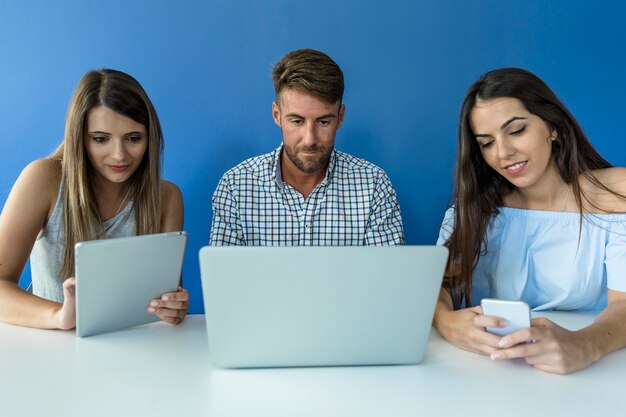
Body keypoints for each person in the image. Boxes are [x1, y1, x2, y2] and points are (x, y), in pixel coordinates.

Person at [433, 67, 626, 374]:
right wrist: (446, 323)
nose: (503, 153)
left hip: (595, 372)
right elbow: (437, 286)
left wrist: (586, 345)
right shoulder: (472, 209)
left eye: (516, 130)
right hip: (485, 370)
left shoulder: (613, 195)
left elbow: (623, 304)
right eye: (486, 143)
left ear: (553, 127)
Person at [0, 69, 189, 330]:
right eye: (101, 139)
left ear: (150, 138)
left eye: (133, 139)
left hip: (133, 350)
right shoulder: (43, 179)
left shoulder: (167, 198)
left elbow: (163, 303)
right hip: (51, 348)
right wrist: (59, 316)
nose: (119, 155)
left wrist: (173, 308)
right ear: (80, 138)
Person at [209, 49, 404, 246]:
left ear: (341, 117)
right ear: (277, 115)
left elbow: (389, 276)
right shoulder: (236, 186)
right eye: (297, 121)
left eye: (323, 122)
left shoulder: (373, 186)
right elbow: (223, 277)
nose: (310, 139)